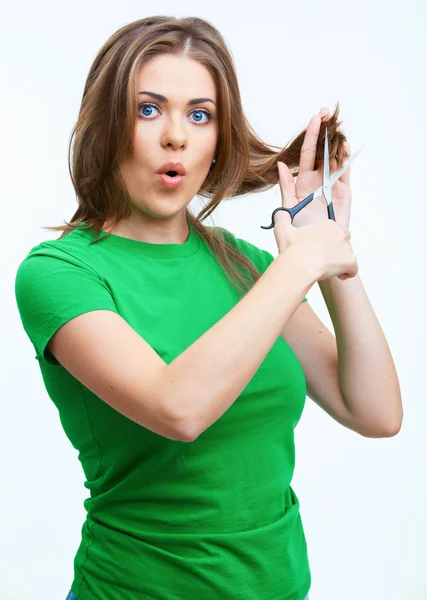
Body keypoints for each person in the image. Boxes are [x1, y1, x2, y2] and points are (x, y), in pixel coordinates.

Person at [14, 15, 402, 600]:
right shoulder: (60, 273)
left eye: (200, 115)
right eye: (148, 109)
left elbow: (374, 413)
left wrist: (332, 259)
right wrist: (297, 266)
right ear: (105, 125)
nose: (176, 137)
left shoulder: (246, 268)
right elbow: (179, 410)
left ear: (219, 137)